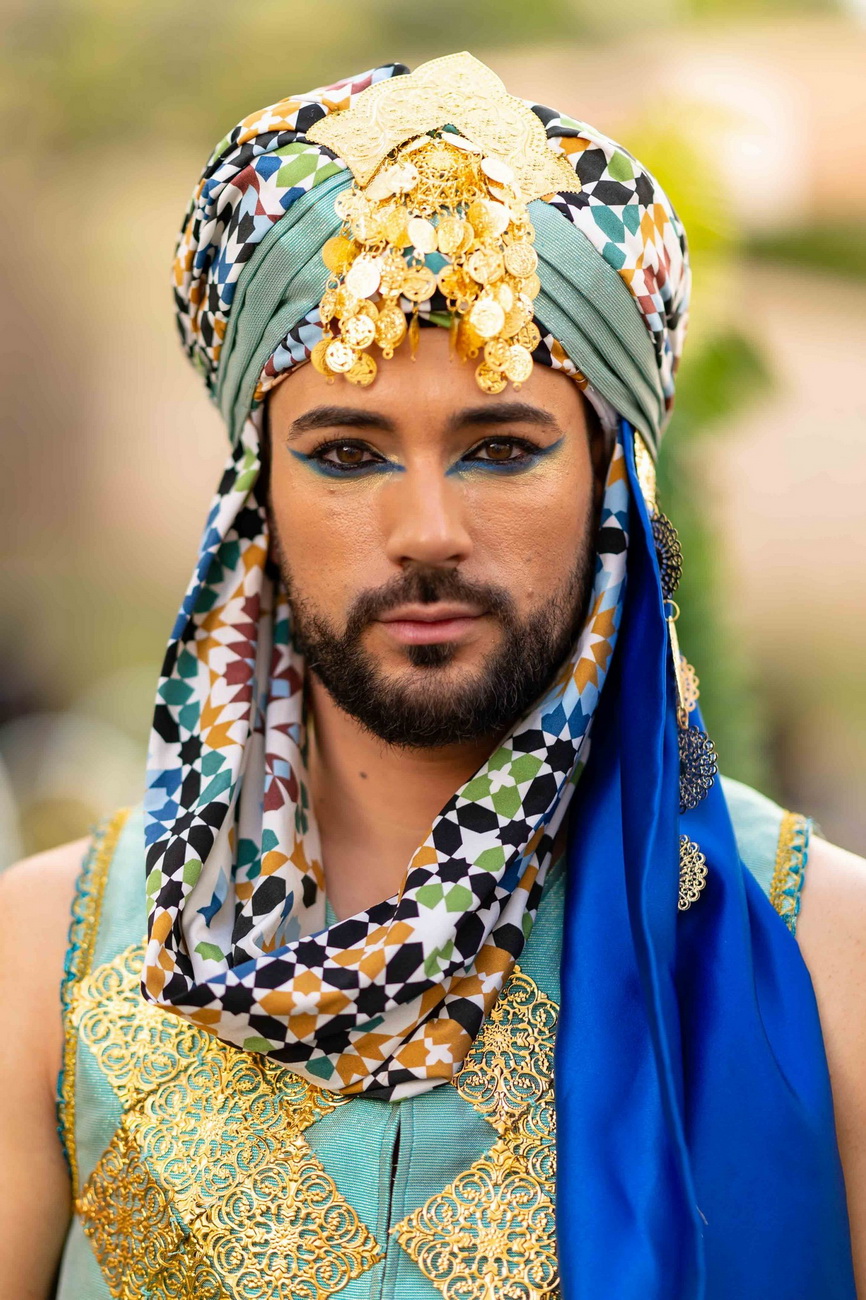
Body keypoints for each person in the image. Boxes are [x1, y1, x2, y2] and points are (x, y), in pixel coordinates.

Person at [1, 51, 864, 1300]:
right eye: (347, 453)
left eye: (498, 448)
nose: (425, 532)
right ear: (255, 502)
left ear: (611, 489)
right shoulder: (49, 959)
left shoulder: (815, 950)